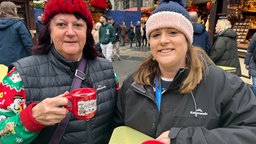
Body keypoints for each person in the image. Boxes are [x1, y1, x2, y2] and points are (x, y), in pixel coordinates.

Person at [113, 0, 256, 144]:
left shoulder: (223, 85)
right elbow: (118, 129)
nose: (163, 40)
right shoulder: (133, 84)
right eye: (156, 34)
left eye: (173, 32)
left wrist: (186, 139)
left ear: (188, 40)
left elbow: (251, 131)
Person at [0, 0, 118, 143]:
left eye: (78, 25)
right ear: (49, 31)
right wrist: (31, 118)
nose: (70, 32)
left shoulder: (107, 70)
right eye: (61, 24)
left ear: (87, 32)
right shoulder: (20, 76)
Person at [0, 1, 33, 66]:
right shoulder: (19, 23)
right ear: (12, 10)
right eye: (15, 9)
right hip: (19, 62)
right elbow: (28, 44)